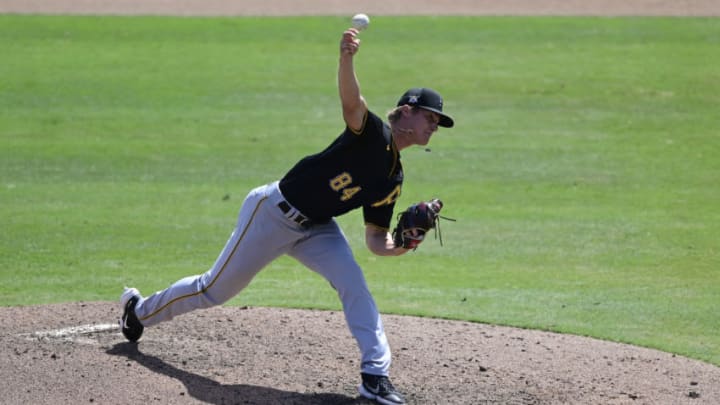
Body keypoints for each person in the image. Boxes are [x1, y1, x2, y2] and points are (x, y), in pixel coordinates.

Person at [119, 26, 454, 405]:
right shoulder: (373, 133)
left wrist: (404, 246)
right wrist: (347, 57)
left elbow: (376, 240)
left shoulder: (394, 178)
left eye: (438, 123)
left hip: (317, 229)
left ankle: (375, 376)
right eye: (431, 117)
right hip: (273, 213)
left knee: (354, 285)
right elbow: (351, 103)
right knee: (214, 290)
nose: (434, 126)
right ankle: (138, 311)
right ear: (407, 112)